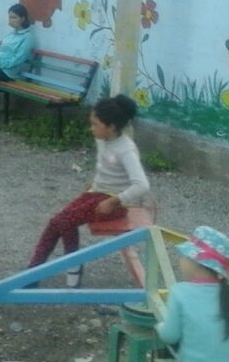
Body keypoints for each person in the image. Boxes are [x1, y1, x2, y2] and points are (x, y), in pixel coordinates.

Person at [27, 95, 149, 288]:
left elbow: (142, 185)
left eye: (95, 124)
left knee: (63, 221)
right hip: (96, 194)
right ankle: (35, 272)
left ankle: (67, 269)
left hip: (113, 204)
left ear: (111, 127)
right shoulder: (103, 139)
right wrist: (93, 184)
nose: (91, 128)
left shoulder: (126, 150)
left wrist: (114, 201)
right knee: (57, 222)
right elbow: (107, 169)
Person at [155, 226, 229, 362]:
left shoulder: (179, 292)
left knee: (171, 342)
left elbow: (170, 336)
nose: (181, 260)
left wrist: (159, 326)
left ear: (196, 263)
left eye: (185, 256)